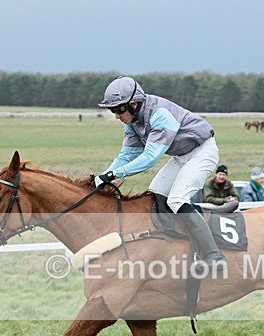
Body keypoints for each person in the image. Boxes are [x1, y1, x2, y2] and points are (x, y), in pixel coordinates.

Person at [94, 76, 225, 270]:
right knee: (155, 194)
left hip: (202, 151)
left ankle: (214, 256)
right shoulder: (133, 123)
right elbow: (127, 155)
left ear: (134, 104)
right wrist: (101, 177)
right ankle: (173, 244)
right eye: (113, 110)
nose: (116, 115)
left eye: (119, 109)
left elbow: (150, 157)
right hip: (182, 156)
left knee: (177, 199)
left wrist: (115, 175)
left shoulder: (159, 114)